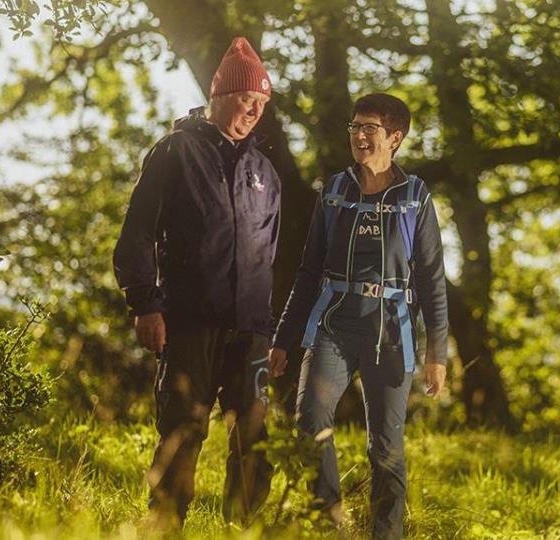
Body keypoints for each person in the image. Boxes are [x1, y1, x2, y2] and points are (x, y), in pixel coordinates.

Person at [112, 37, 280, 528]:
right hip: (189, 321)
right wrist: (145, 304)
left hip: (251, 329)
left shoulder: (265, 171)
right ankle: (165, 528)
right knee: (183, 431)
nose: (254, 110)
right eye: (246, 98)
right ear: (220, 96)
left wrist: (271, 329)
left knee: (255, 439)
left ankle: (243, 530)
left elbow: (269, 252)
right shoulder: (176, 151)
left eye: (262, 102)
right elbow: (138, 232)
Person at [268, 93, 448, 539]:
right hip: (333, 326)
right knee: (310, 421)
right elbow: (308, 271)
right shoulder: (334, 190)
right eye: (355, 127)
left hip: (391, 332)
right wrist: (283, 338)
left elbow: (431, 279)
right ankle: (330, 525)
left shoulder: (415, 197)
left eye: (370, 128)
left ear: (395, 137)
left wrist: (437, 353)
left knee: (385, 447)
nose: (360, 136)